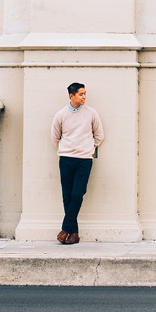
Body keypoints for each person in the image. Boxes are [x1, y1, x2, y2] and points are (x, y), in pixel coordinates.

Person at [50, 82, 104, 245]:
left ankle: (65, 228)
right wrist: (66, 149)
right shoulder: (61, 114)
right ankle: (74, 234)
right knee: (67, 196)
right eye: (81, 94)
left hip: (84, 160)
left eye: (85, 93)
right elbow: (55, 137)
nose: (84, 97)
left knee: (77, 194)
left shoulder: (91, 113)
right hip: (65, 159)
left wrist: (87, 148)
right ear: (71, 96)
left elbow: (99, 135)